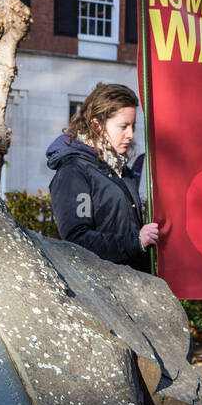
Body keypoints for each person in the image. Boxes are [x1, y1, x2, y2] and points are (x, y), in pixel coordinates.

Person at [46, 83, 159, 272]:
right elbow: (77, 240)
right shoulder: (73, 170)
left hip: (134, 287)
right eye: (123, 126)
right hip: (103, 292)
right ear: (96, 125)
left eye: (133, 126)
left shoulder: (121, 169)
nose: (130, 135)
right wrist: (136, 241)